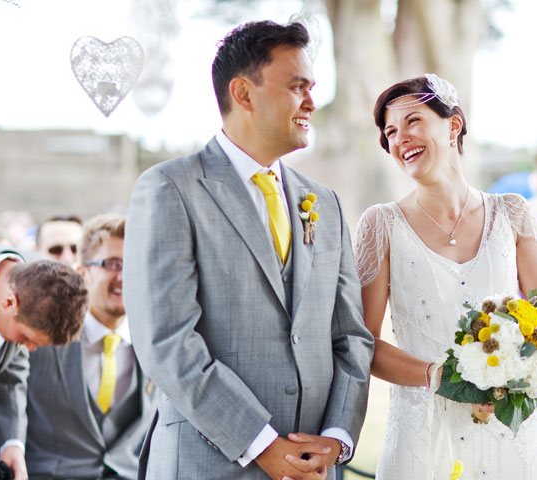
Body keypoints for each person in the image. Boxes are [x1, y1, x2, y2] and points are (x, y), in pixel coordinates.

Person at [123, 21, 373, 480]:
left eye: (311, 88)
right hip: (205, 465)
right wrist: (261, 444)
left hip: (316, 470)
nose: (311, 102)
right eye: (297, 87)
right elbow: (166, 341)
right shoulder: (170, 189)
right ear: (243, 93)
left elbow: (351, 336)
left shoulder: (325, 203)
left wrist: (337, 439)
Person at [355, 73, 537, 479]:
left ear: (453, 125)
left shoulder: (512, 213)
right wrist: (438, 376)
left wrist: (515, 376)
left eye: (413, 121)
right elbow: (362, 342)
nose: (401, 138)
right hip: (422, 436)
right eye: (391, 131)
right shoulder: (381, 225)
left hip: (511, 436)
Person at [25, 214, 156, 479]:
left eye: (132, 262)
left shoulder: (157, 342)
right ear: (83, 272)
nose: (124, 276)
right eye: (112, 264)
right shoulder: (40, 338)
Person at [0, 244, 88, 480]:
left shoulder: (36, 281)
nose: (29, 348)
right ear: (9, 302)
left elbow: (11, 370)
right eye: (26, 338)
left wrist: (12, 444)